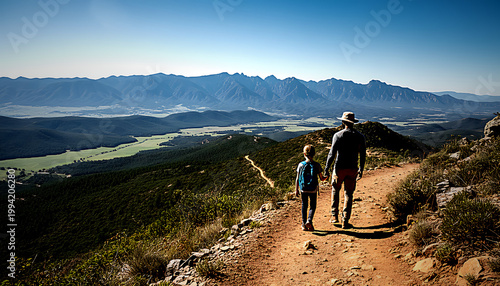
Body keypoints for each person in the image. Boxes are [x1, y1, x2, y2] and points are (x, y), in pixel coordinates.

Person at [324, 112, 366, 229]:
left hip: (339, 168)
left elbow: (332, 154)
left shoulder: (338, 135)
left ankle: (334, 216)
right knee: (348, 193)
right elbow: (362, 155)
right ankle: (345, 219)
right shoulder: (360, 137)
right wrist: (361, 169)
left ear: (343, 122)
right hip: (352, 168)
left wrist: (326, 168)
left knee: (335, 190)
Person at [295, 145, 329, 231]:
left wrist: (296, 190)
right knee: (312, 206)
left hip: (303, 189)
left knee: (304, 205)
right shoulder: (317, 165)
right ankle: (309, 220)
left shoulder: (300, 165)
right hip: (313, 189)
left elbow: (297, 178)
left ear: (304, 154)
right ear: (314, 154)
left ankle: (303, 224)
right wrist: (326, 177)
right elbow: (321, 178)